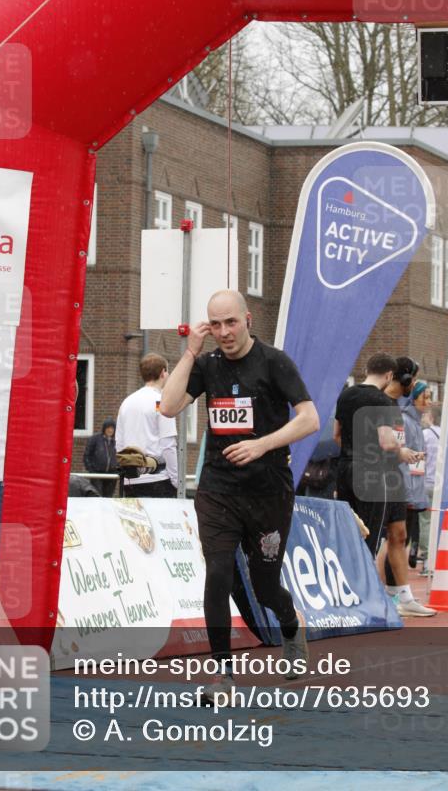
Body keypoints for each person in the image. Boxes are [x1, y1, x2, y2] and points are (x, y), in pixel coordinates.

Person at [160, 289, 319, 697]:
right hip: (218, 488)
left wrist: (263, 444)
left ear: (248, 319)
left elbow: (310, 419)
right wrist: (190, 354)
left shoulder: (274, 362)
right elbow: (168, 406)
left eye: (231, 322)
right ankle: (223, 675)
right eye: (216, 325)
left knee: (265, 586)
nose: (224, 332)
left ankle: (290, 625)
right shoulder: (208, 363)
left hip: (267, 491)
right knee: (217, 575)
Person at [334, 353, 434, 617]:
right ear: (390, 375)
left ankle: (355, 596)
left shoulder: (345, 395)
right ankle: (363, 602)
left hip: (347, 468)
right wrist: (402, 452)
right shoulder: (382, 402)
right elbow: (388, 443)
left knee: (351, 534)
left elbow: (336, 434)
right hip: (374, 474)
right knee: (370, 538)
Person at [116, 353, 178, 498]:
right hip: (158, 479)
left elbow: (119, 443)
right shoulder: (162, 402)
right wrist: (176, 480)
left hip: (131, 480)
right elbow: (168, 444)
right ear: (163, 372)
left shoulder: (127, 402)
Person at [400, 381, 431, 568]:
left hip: (414, 491)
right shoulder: (405, 421)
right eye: (425, 397)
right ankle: (392, 586)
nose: (428, 402)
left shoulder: (416, 424)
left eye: (430, 397)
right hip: (405, 491)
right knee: (397, 539)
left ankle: (397, 586)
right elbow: (398, 454)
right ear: (414, 398)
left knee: (405, 539)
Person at [419, 403, 441, 575]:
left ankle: (427, 559)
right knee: (444, 521)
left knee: (426, 521)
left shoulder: (425, 434)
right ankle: (442, 556)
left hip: (426, 482)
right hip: (444, 484)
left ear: (432, 417)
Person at [83, 419, 118, 497]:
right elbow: (87, 455)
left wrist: (117, 469)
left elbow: (120, 456)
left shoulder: (116, 441)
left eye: (112, 428)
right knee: (97, 496)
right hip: (97, 474)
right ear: (104, 428)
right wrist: (91, 470)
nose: (110, 430)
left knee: (108, 497)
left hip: (111, 475)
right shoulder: (95, 439)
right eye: (108, 428)